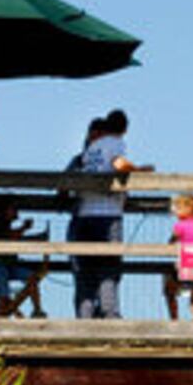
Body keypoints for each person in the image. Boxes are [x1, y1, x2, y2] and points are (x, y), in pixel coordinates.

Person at [70, 109, 150, 319]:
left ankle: (84, 316)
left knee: (86, 269)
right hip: (107, 214)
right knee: (108, 267)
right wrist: (139, 170)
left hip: (84, 214)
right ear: (124, 130)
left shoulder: (91, 148)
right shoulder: (115, 143)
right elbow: (118, 164)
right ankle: (110, 313)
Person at [164, 193, 193, 321]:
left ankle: (174, 320)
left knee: (170, 292)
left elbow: (173, 239)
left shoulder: (180, 225)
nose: (175, 211)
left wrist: (170, 241)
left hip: (185, 265)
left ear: (188, 209)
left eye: (178, 208)